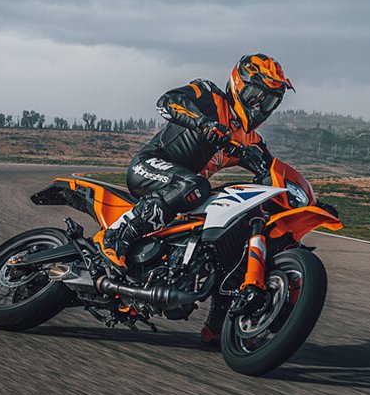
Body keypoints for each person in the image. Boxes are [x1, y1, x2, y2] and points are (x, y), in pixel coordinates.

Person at [93, 53, 294, 345]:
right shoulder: (210, 96)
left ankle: (219, 325)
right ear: (239, 84)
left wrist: (302, 201)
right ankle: (115, 237)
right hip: (150, 167)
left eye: (270, 101)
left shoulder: (251, 140)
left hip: (182, 193)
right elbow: (167, 101)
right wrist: (202, 123)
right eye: (256, 96)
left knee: (227, 237)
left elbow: (271, 173)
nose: (261, 107)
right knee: (196, 184)